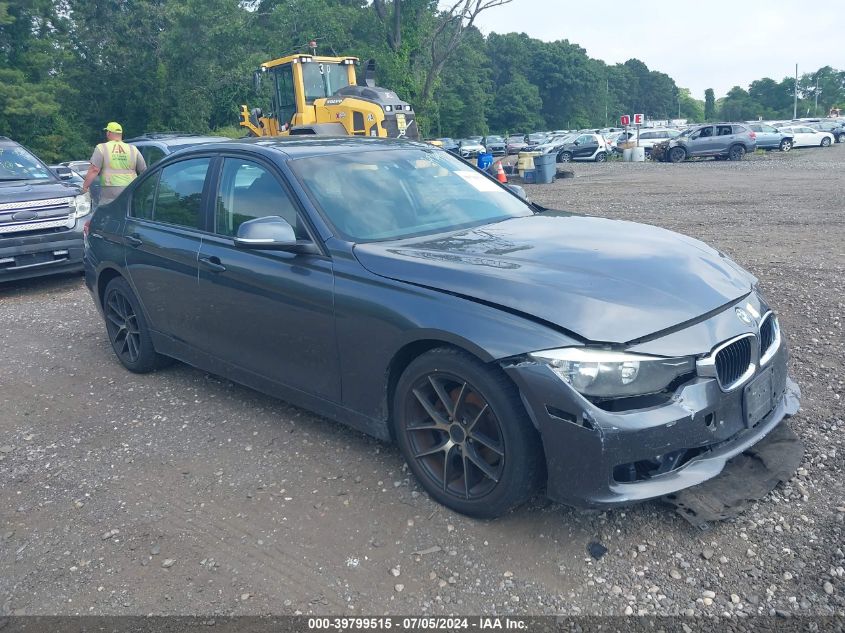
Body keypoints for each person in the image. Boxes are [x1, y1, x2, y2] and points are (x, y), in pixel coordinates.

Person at [81, 122, 146, 206]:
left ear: (108, 133)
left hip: (110, 189)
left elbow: (94, 169)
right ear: (121, 134)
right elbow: (143, 169)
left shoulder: (102, 147)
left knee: (107, 211)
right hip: (130, 187)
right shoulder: (132, 149)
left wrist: (85, 186)